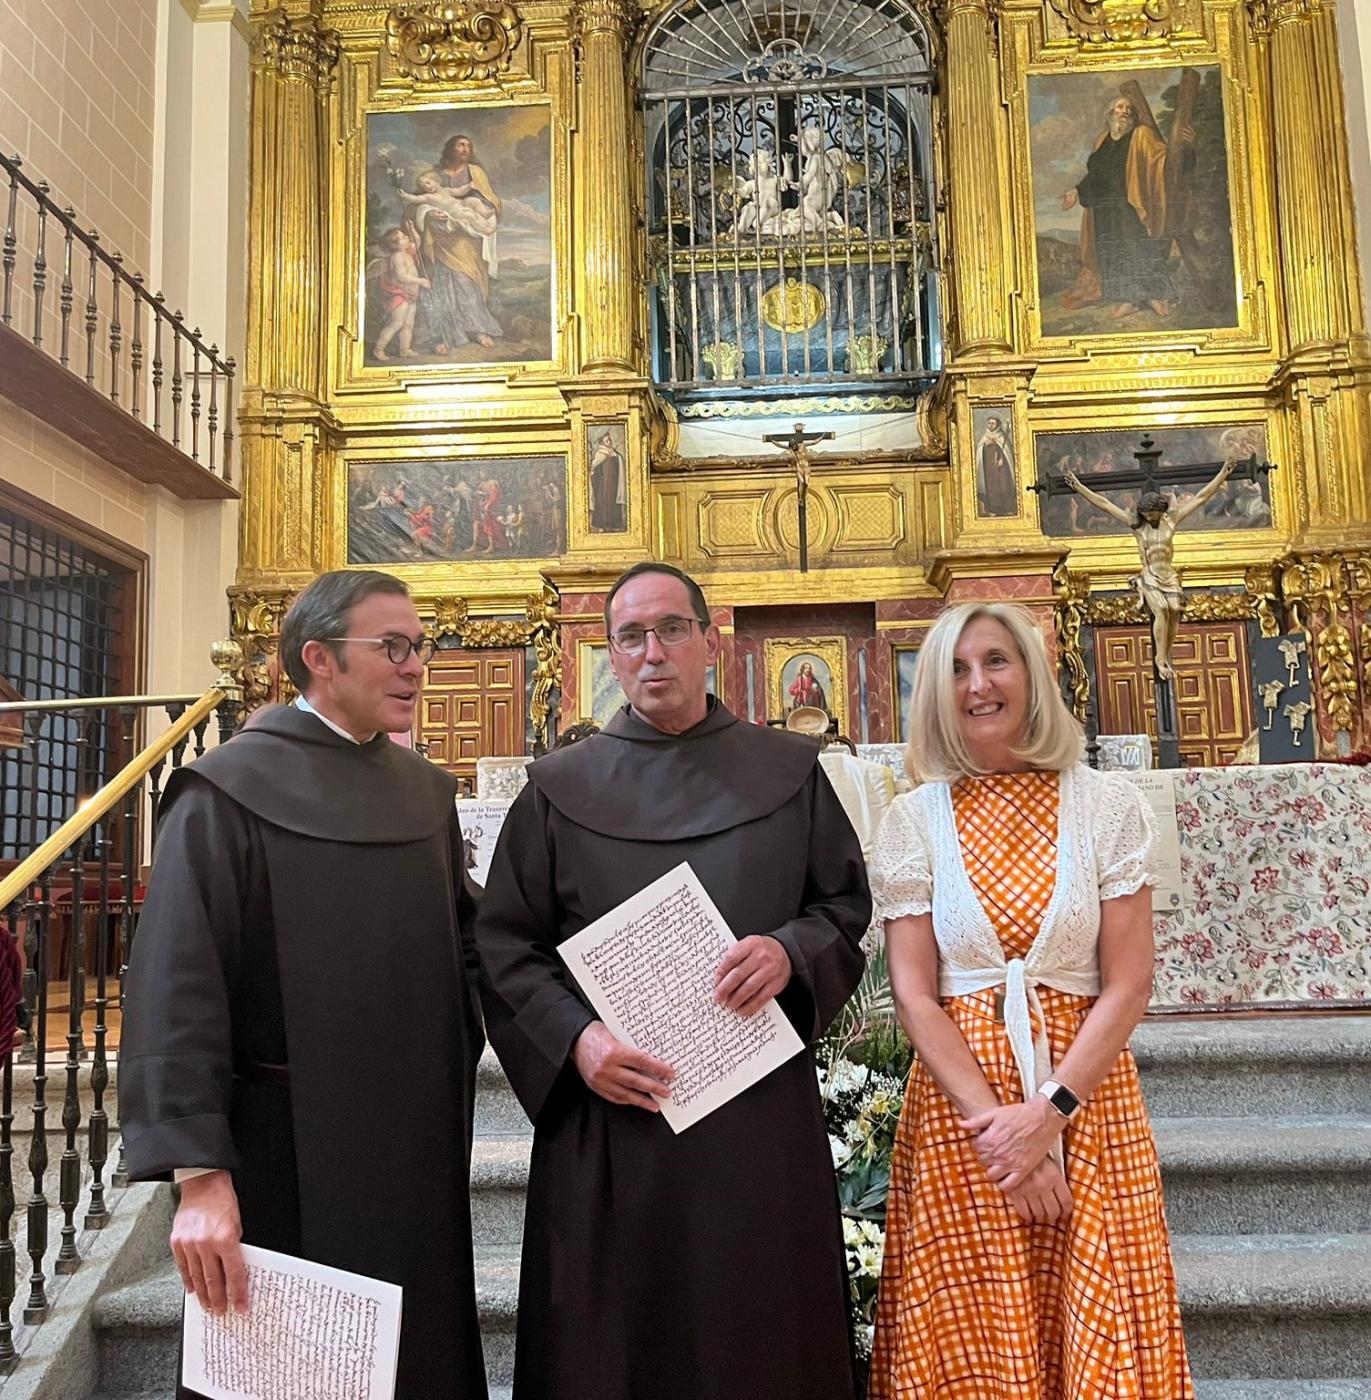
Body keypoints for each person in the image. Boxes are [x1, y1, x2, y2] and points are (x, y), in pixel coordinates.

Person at [476, 561, 870, 1400]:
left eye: (670, 630)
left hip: (755, 1116)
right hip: (615, 1118)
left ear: (708, 642)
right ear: (610, 657)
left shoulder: (790, 772)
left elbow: (839, 906)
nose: (651, 653)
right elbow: (506, 946)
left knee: (758, 1333)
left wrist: (789, 951)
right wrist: (576, 1042)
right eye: (630, 637)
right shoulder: (556, 790)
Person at [118, 570, 488, 1400]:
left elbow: (478, 951)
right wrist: (200, 1179)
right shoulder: (226, 793)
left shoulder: (424, 795)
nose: (416, 666)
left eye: (419, 647)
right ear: (318, 658)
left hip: (412, 1158)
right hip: (280, 1158)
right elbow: (178, 986)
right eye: (391, 647)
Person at [867, 601, 1191, 1399]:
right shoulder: (914, 820)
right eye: (954, 668)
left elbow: (1127, 982)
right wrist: (1000, 1136)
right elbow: (913, 994)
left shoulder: (1105, 806)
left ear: (1031, 675)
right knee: (972, 1331)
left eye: (995, 661)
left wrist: (1045, 1113)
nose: (977, 685)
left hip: (1088, 1107)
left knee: (1095, 1312)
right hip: (962, 1117)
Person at [1064, 456, 1234, 680]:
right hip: (1151, 575)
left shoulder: (1171, 520)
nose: (1150, 520)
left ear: (1161, 511)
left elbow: (1201, 497)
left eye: (1153, 516)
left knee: (1174, 610)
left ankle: (1166, 653)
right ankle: (1160, 659)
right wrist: (1079, 487)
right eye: (1147, 516)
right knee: (1161, 610)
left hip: (1169, 575)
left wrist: (1223, 474)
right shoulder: (1137, 526)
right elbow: (1104, 504)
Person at [1061, 94, 1194, 319]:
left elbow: (1166, 161)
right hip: (1104, 208)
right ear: (1110, 113)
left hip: (1129, 204)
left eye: (1128, 109)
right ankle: (1128, 299)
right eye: (1119, 107)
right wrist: (1076, 190)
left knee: (1139, 247)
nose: (1124, 111)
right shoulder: (1102, 139)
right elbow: (1095, 174)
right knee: (1112, 252)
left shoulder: (1141, 136)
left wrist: (1186, 147)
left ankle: (1156, 295)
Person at [418, 133, 504, 352]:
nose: (465, 149)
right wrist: (428, 214)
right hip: (441, 238)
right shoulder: (434, 175)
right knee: (443, 282)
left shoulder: (475, 173)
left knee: (466, 280)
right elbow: (419, 204)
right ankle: (445, 333)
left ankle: (477, 329)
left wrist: (477, 211)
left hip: (466, 238)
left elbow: (490, 200)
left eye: (468, 145)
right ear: (451, 148)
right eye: (460, 145)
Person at [371, 227, 430, 361]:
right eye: (403, 238)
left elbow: (417, 240)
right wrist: (421, 281)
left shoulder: (408, 252)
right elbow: (401, 277)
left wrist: (412, 228)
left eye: (405, 235)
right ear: (394, 245)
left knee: (408, 324)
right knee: (397, 323)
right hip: (400, 294)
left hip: (411, 294)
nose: (407, 237)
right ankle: (378, 349)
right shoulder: (397, 257)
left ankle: (404, 349)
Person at [975, 414, 1016, 518]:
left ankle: (1007, 508)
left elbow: (1008, 453)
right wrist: (985, 445)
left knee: (1004, 486)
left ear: (997, 424)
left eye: (993, 423)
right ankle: (992, 509)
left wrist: (1003, 459)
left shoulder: (1002, 436)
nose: (991, 425)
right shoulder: (985, 437)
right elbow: (980, 452)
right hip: (989, 470)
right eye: (989, 423)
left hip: (1001, 469)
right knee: (992, 488)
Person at [589, 429, 626, 531]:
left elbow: (618, 466)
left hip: (613, 484)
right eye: (607, 441)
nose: (609, 442)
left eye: (609, 440)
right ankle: (602, 524)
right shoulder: (599, 454)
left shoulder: (615, 454)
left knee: (612, 503)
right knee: (603, 503)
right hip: (602, 486)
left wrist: (616, 458)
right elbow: (593, 469)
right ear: (602, 443)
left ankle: (614, 524)